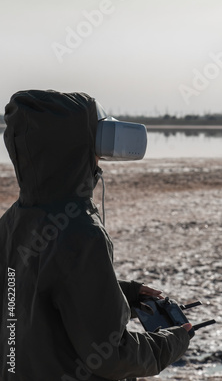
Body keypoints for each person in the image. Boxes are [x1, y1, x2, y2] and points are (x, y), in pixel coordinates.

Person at [0, 90, 191, 381]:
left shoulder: (12, 222)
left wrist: (123, 293)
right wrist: (171, 343)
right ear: (79, 145)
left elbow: (30, 298)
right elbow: (110, 355)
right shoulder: (81, 232)